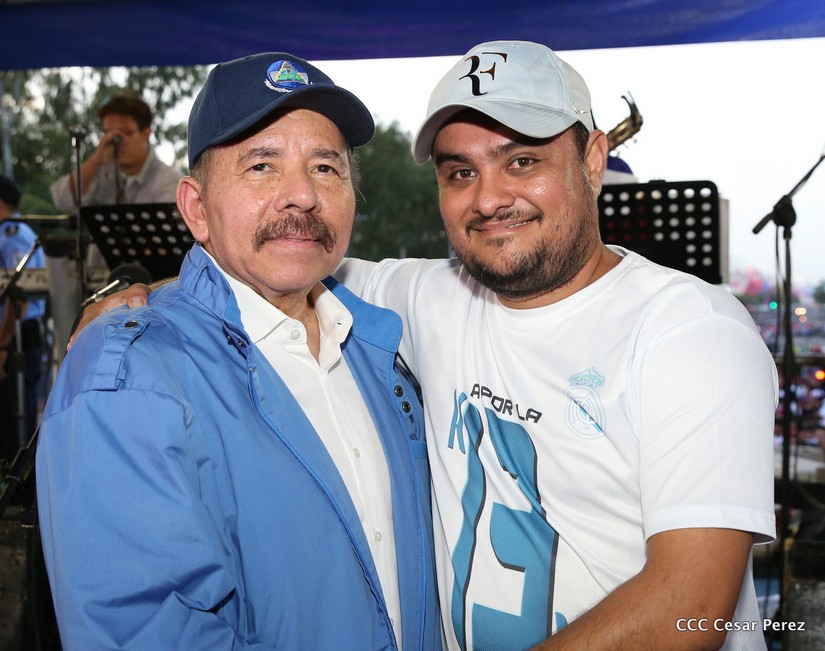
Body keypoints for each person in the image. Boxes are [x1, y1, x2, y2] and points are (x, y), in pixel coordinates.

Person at [77, 41, 779, 650]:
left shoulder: (690, 331)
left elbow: (692, 606)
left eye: (522, 160)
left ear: (593, 159)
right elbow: (270, 255)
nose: (489, 198)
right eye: (459, 172)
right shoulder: (424, 297)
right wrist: (135, 292)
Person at [36, 52, 441, 650]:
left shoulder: (382, 343)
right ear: (196, 209)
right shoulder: (128, 377)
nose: (302, 194)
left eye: (325, 167)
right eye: (261, 166)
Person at [50, 94, 182, 211]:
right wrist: (97, 158)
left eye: (127, 133)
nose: (117, 141)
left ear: (146, 134)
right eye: (108, 133)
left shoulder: (168, 181)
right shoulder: (99, 173)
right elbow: (63, 200)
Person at [0, 174, 47, 460]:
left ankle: (18, 477)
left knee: (15, 418)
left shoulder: (13, 235)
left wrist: (3, 345)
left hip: (17, 336)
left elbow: (20, 297)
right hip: (13, 335)